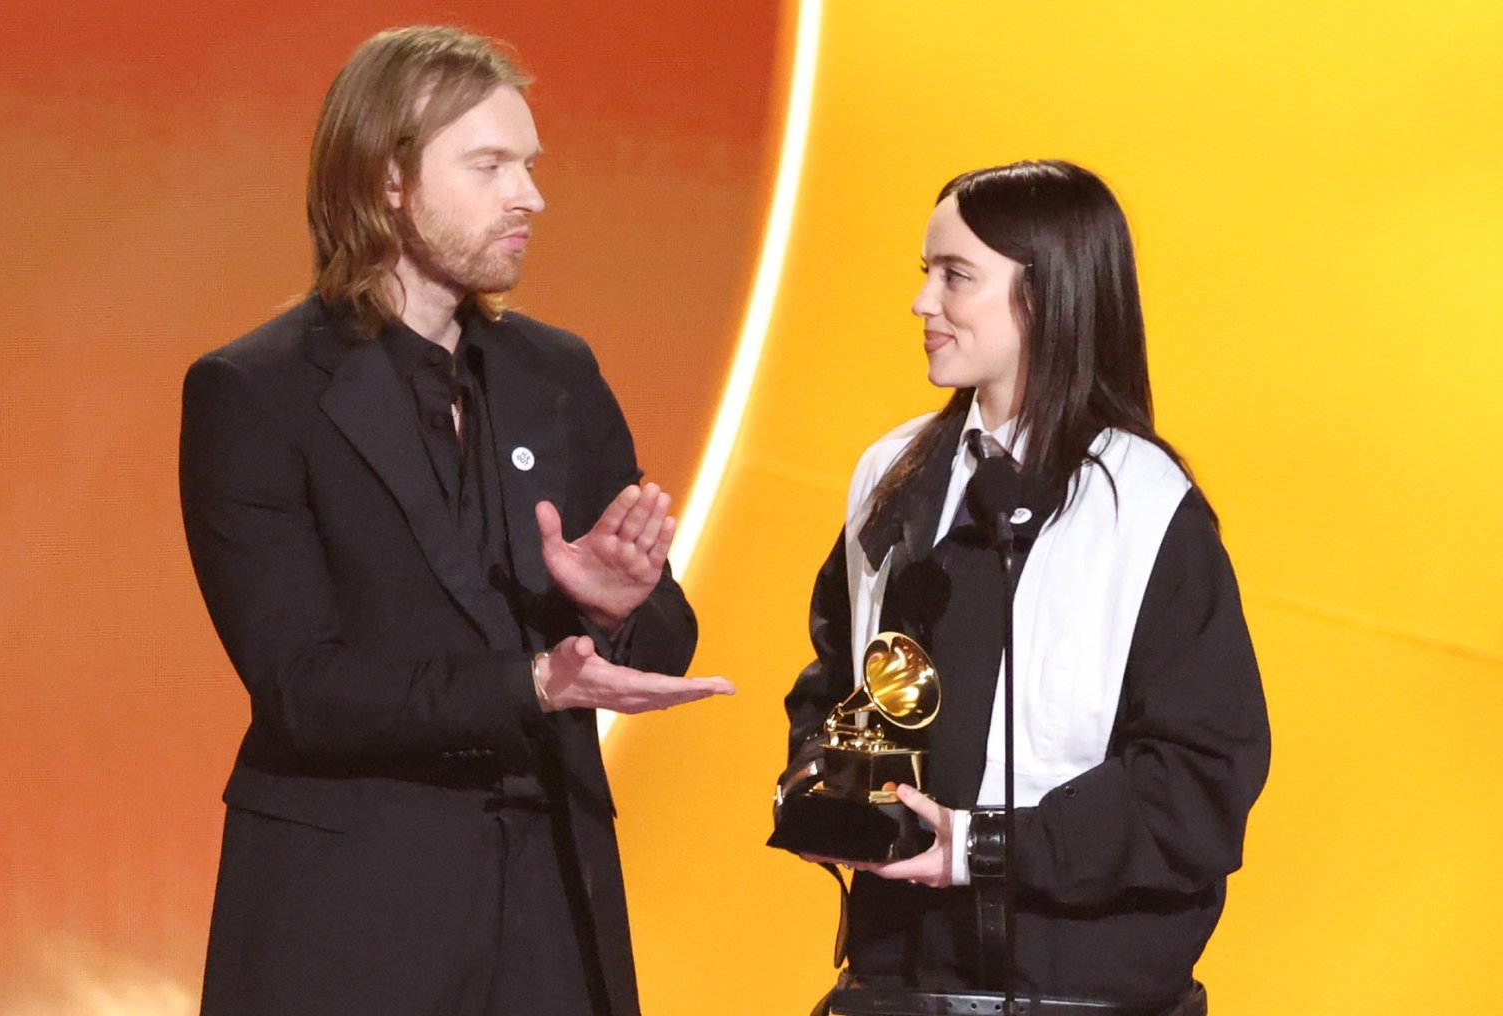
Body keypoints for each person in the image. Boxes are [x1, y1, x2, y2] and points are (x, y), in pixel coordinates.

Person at [179, 26, 733, 1016]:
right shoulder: (255, 393)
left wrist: (614, 607)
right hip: (348, 917)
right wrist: (530, 680)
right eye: (490, 165)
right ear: (389, 180)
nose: (531, 195)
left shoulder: (555, 373)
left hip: (550, 912)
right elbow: (305, 687)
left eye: (530, 164)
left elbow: (661, 635)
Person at [782, 161, 1269, 1015]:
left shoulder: (1147, 508)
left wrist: (984, 847)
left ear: (1044, 296)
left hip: (1080, 988)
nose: (922, 303)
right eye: (924, 274)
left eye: (955, 277)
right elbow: (838, 680)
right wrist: (819, 783)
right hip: (894, 982)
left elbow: (1197, 785)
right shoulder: (891, 475)